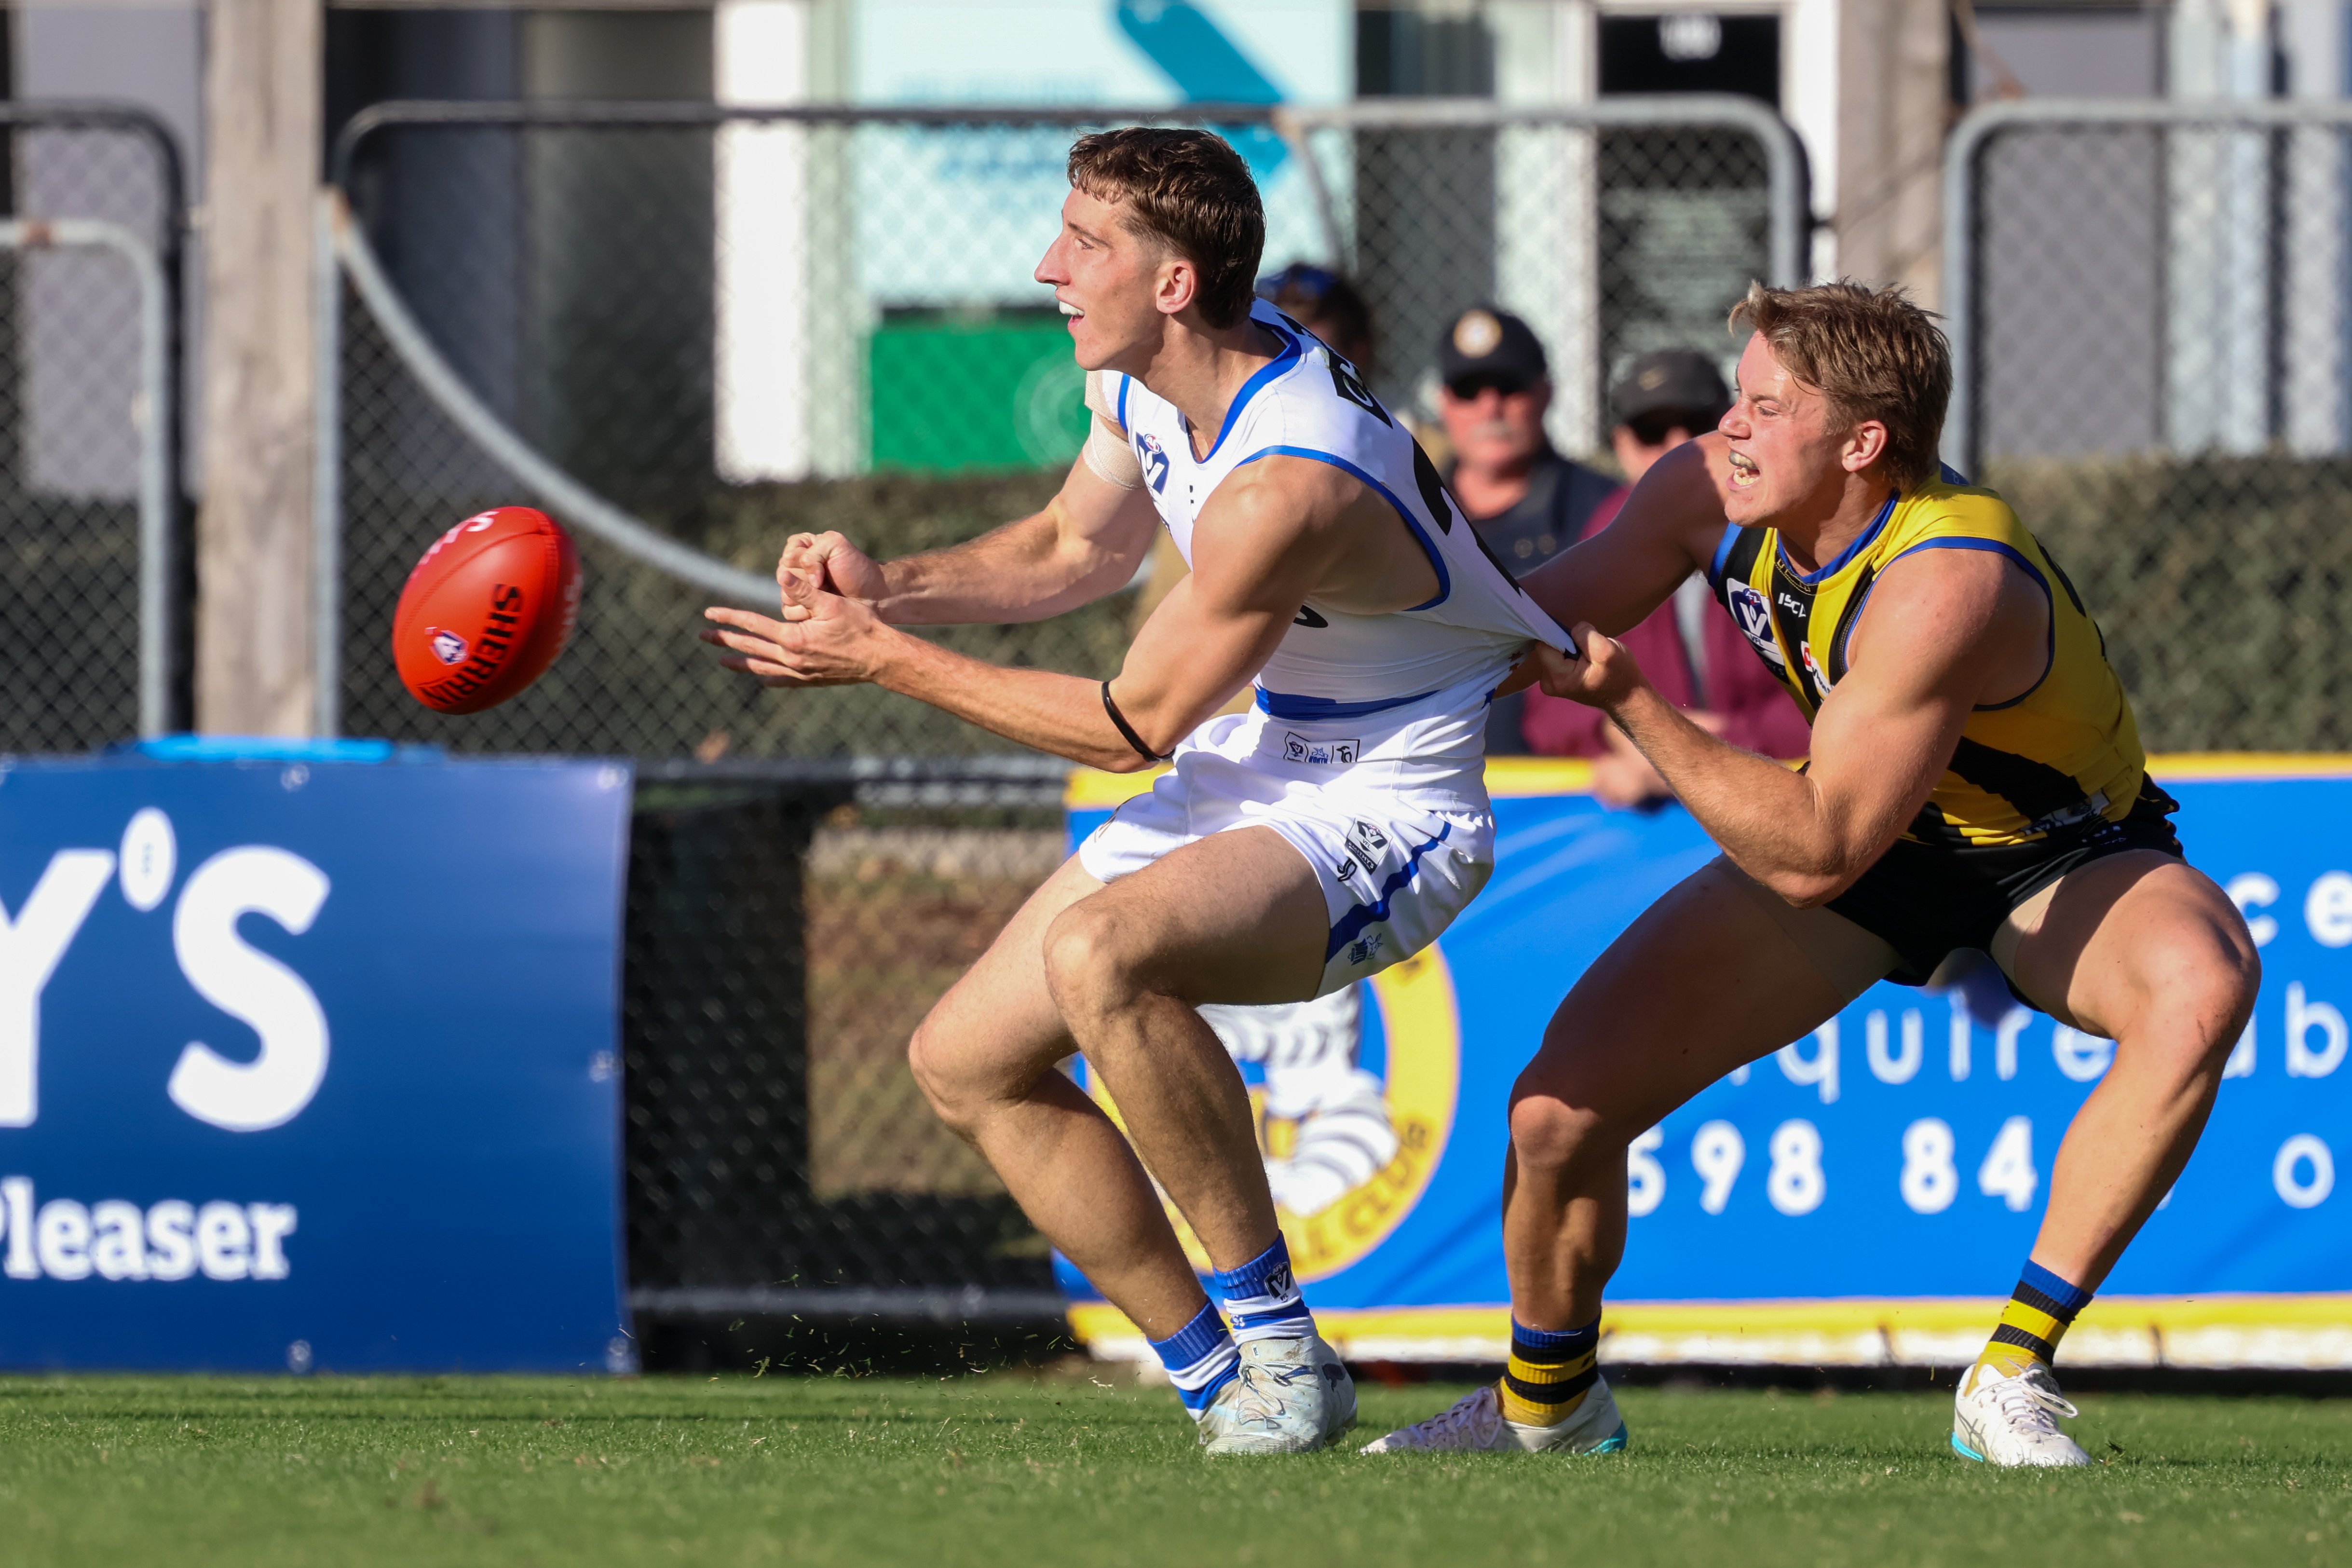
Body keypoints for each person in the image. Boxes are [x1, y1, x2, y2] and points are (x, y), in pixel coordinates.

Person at [702, 128, 1570, 1455]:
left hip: (1390, 806)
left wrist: (879, 656)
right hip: (1263, 763)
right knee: (963, 1064)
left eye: (1082, 243)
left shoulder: (1286, 479)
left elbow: (1131, 728)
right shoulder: (1147, 377)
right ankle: (1225, 1383)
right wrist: (892, 585)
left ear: (1173, 283)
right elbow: (1072, 547)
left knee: (1101, 954)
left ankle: (1280, 1352)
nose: (1047, 269)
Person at [1362, 281, 2258, 1466]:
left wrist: (1634, 702)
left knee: (2199, 983)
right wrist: (1320, 674)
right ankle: (1547, 1403)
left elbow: (1815, 851)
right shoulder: (1703, 486)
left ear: (1860, 443)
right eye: (1736, 398)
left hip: (2047, 850)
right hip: (1869, 831)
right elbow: (1516, 628)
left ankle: (2009, 1369)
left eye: (1763, 407)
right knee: (1552, 1113)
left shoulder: (1946, 575)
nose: (1727, 427)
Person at [1521, 348, 1808, 804]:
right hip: (1644, 824)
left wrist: (1691, 748)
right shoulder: (1602, 529)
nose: (1679, 450)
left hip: (1772, 800)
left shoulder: (1789, 528)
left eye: (1697, 428)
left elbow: (1836, 699)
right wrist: (1615, 734)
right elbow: (1547, 701)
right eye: (1651, 431)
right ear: (1622, 444)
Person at [1429, 306, 1618, 754]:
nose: (1489, 407)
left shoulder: (1607, 513)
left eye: (1508, 386)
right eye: (1468, 390)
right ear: (1443, 403)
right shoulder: (1405, 512)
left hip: (1570, 784)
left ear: (1545, 392)